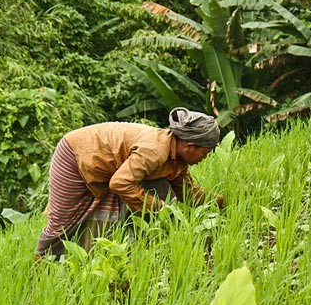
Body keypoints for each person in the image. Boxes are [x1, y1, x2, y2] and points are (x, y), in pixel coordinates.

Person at [35, 107, 224, 259]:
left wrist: (220, 202)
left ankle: (91, 257)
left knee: (153, 192)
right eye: (205, 153)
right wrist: (159, 208)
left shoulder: (176, 159)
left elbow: (188, 192)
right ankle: (39, 268)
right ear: (190, 146)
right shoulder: (155, 151)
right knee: (62, 222)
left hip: (107, 162)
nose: (205, 158)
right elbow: (120, 184)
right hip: (74, 155)